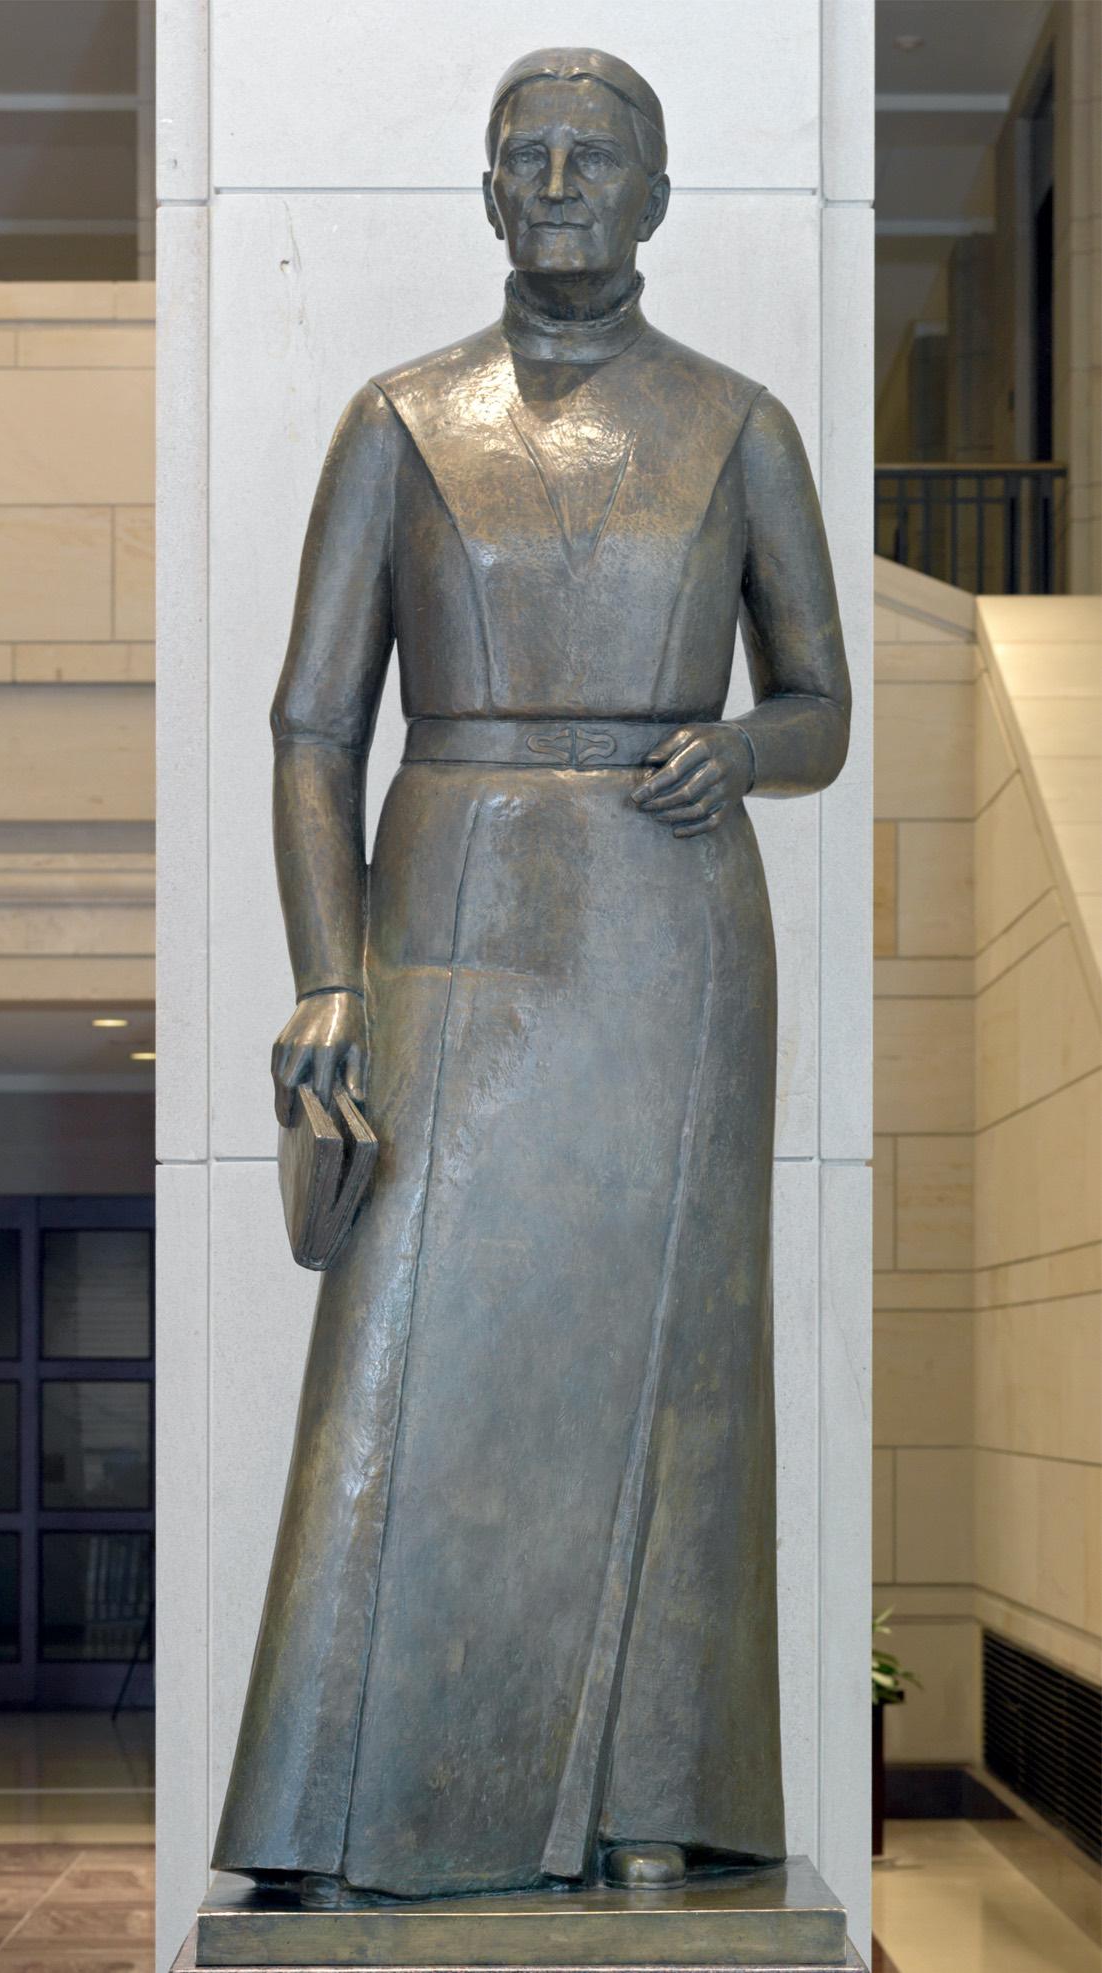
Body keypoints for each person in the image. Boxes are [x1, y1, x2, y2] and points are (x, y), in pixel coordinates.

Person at [213, 47, 850, 1901]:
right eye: (528, 156)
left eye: (598, 157)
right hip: (450, 905)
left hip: (672, 928)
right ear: (488, 194)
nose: (561, 180)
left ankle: (650, 1800)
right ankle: (331, 1816)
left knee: (675, 1372)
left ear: (656, 199)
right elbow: (310, 727)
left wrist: (740, 751)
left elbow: (816, 703)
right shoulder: (398, 421)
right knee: (397, 1352)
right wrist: (326, 979)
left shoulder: (736, 427)